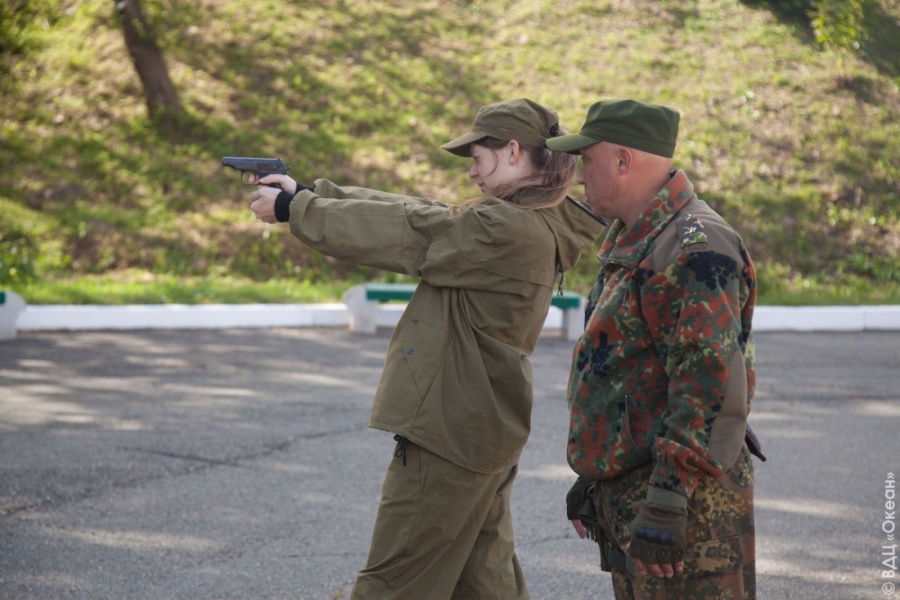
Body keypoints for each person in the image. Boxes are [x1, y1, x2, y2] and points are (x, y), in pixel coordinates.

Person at [246, 98, 606, 599]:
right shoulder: (526, 220)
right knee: (485, 584)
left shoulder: (507, 228)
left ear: (513, 151)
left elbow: (415, 232)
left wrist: (297, 210)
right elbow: (424, 214)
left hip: (451, 434)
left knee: (392, 584)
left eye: (477, 158)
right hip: (480, 431)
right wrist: (310, 195)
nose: (471, 173)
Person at [547, 99, 761, 599]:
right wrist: (596, 475)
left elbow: (706, 383)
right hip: (642, 493)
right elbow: (624, 371)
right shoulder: (639, 238)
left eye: (587, 161)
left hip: (686, 508)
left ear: (623, 161)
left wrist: (668, 498)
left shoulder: (693, 245)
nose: (580, 176)